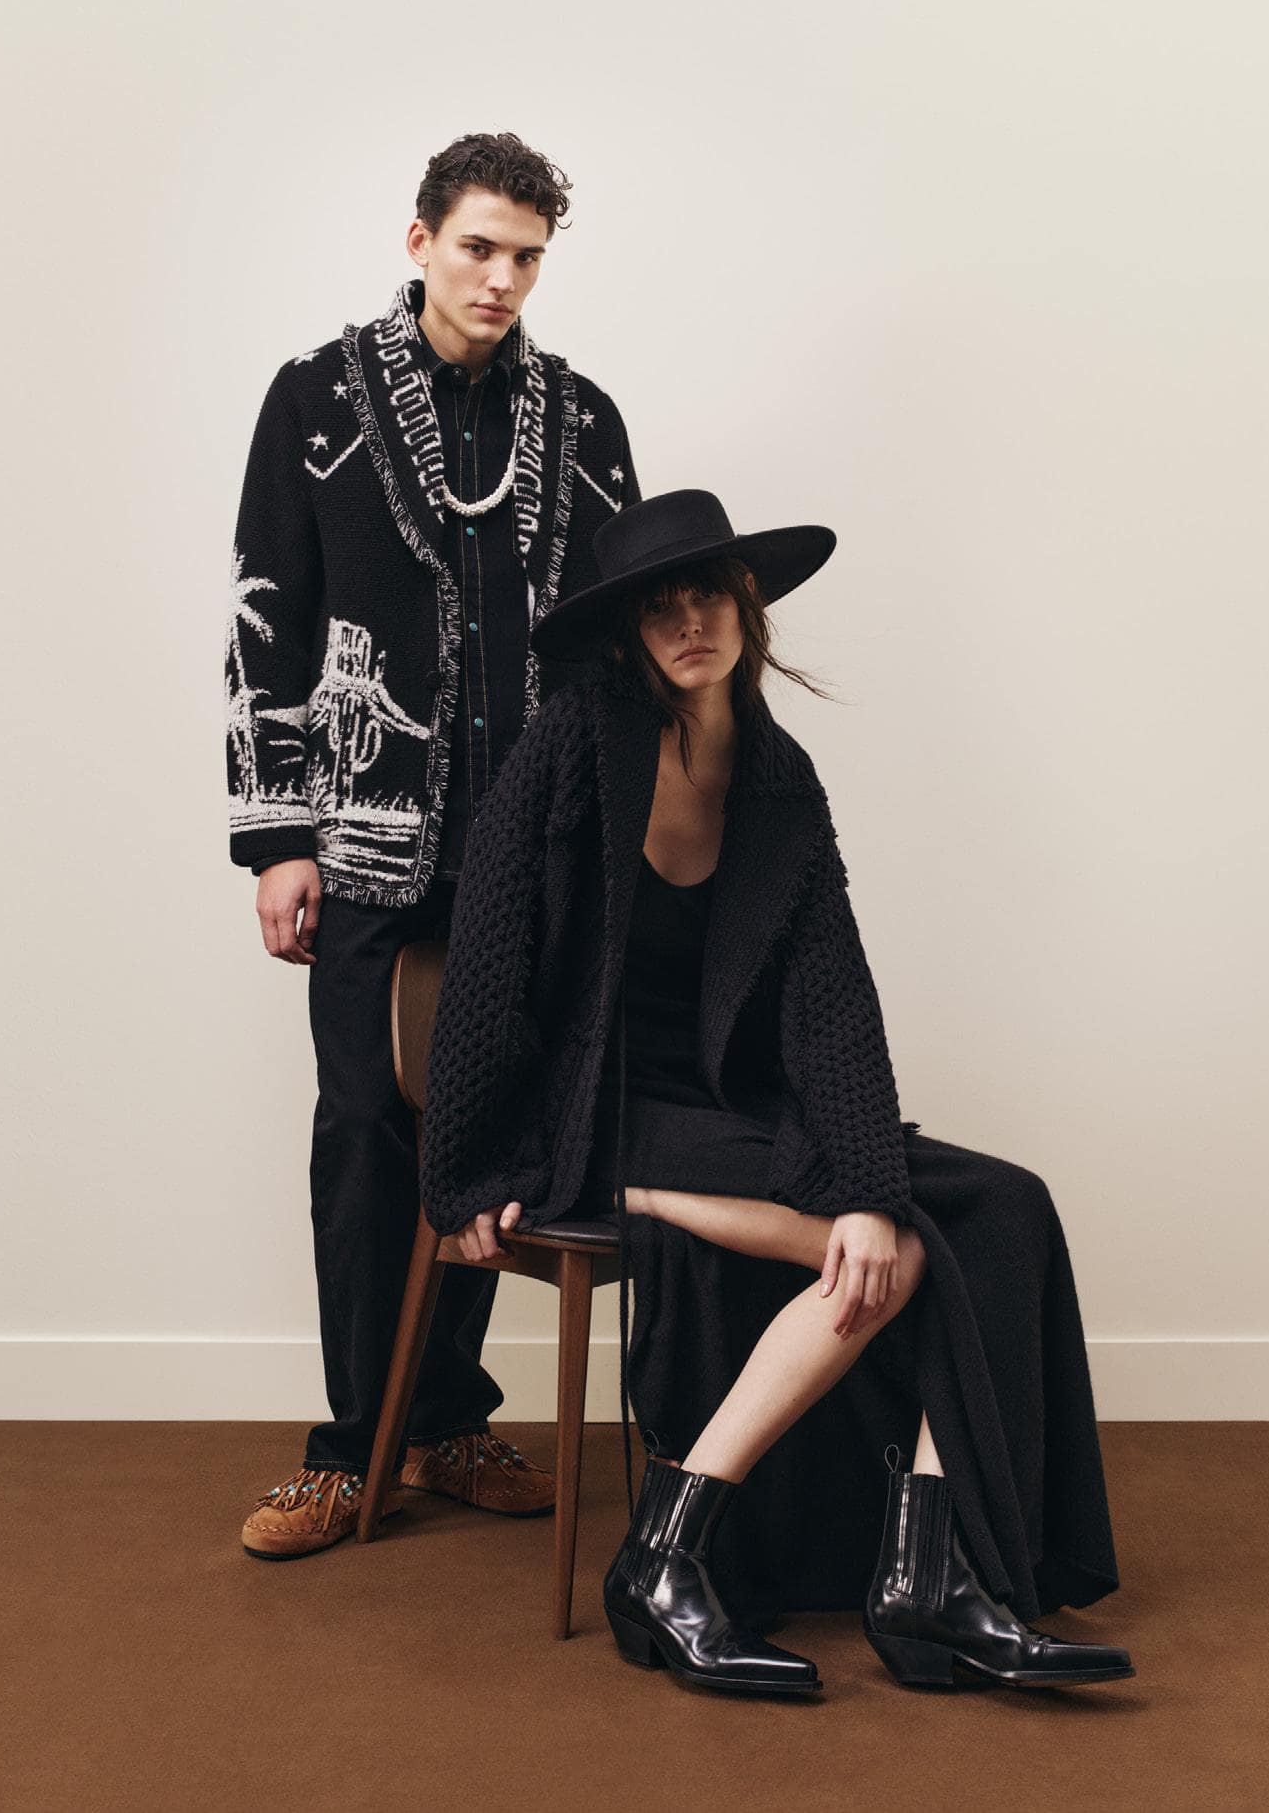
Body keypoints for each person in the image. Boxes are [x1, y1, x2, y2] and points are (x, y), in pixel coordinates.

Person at [418, 489, 1134, 1695]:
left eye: (707, 595)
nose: (688, 623)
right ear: (629, 632)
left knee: (1006, 1207)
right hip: (591, 1109)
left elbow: (833, 997)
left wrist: (867, 1181)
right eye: (659, 607)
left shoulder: (777, 775)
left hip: (732, 1112)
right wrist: (469, 1170)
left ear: (747, 607)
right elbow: (489, 952)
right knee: (899, 1255)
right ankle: (672, 1557)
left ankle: (931, 1576)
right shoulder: (574, 741)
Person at [225, 132, 641, 1558]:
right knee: (364, 1133)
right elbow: (266, 615)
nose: (502, 278)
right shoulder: (314, 399)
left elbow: (617, 644)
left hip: (531, 854)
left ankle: (450, 1420)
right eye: (478, 247)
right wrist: (277, 837)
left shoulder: (582, 423)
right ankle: (355, 1450)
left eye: (527, 255)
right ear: (420, 243)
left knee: (490, 1134)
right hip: (362, 843)